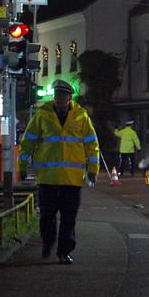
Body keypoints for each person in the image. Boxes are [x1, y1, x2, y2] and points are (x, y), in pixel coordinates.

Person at [19, 80, 99, 264]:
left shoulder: (81, 116)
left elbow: (92, 145)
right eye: (57, 96)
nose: (60, 99)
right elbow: (28, 142)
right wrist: (22, 167)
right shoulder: (42, 115)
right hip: (48, 178)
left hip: (72, 179)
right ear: (54, 96)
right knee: (47, 217)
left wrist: (93, 170)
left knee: (68, 219)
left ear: (69, 97)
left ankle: (64, 251)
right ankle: (48, 243)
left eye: (63, 96)